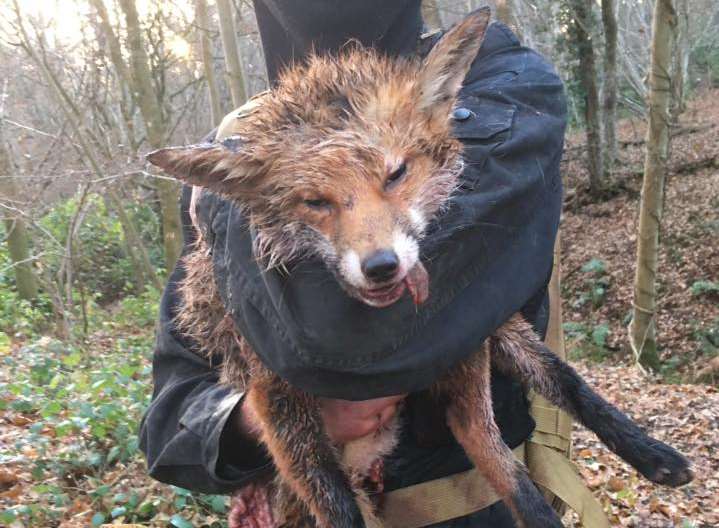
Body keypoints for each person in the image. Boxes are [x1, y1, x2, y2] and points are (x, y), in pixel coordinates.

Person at [139, 1, 566, 526]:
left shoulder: (499, 87)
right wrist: (253, 421)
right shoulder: (234, 153)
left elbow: (348, 337)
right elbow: (170, 422)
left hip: (479, 506)